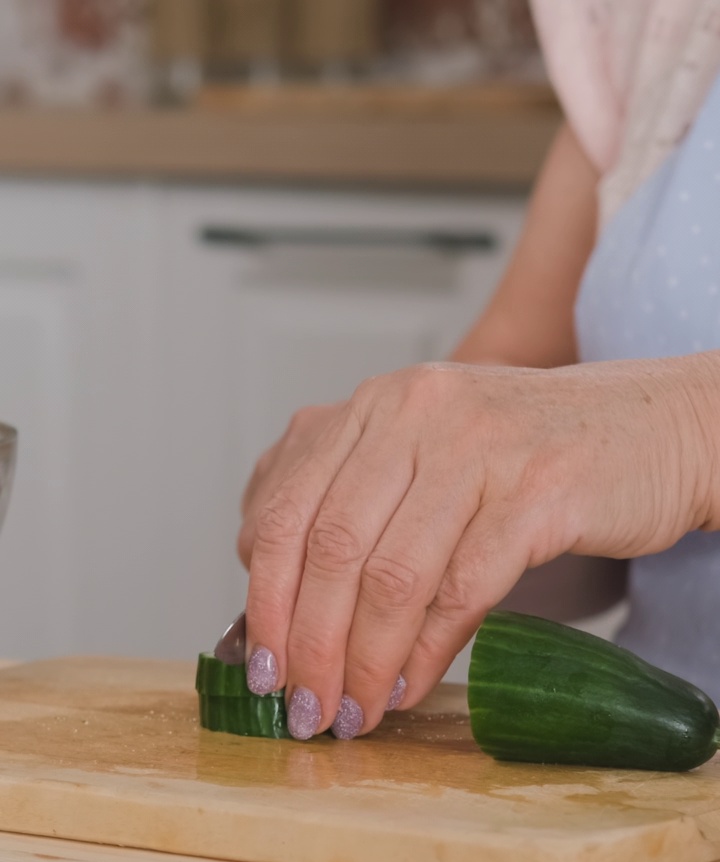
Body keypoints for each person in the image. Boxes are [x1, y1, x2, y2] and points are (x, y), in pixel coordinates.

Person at [237, 0, 720, 741]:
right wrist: (407, 498)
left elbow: (625, 440)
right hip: (660, 795)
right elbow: (513, 384)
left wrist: (686, 434)